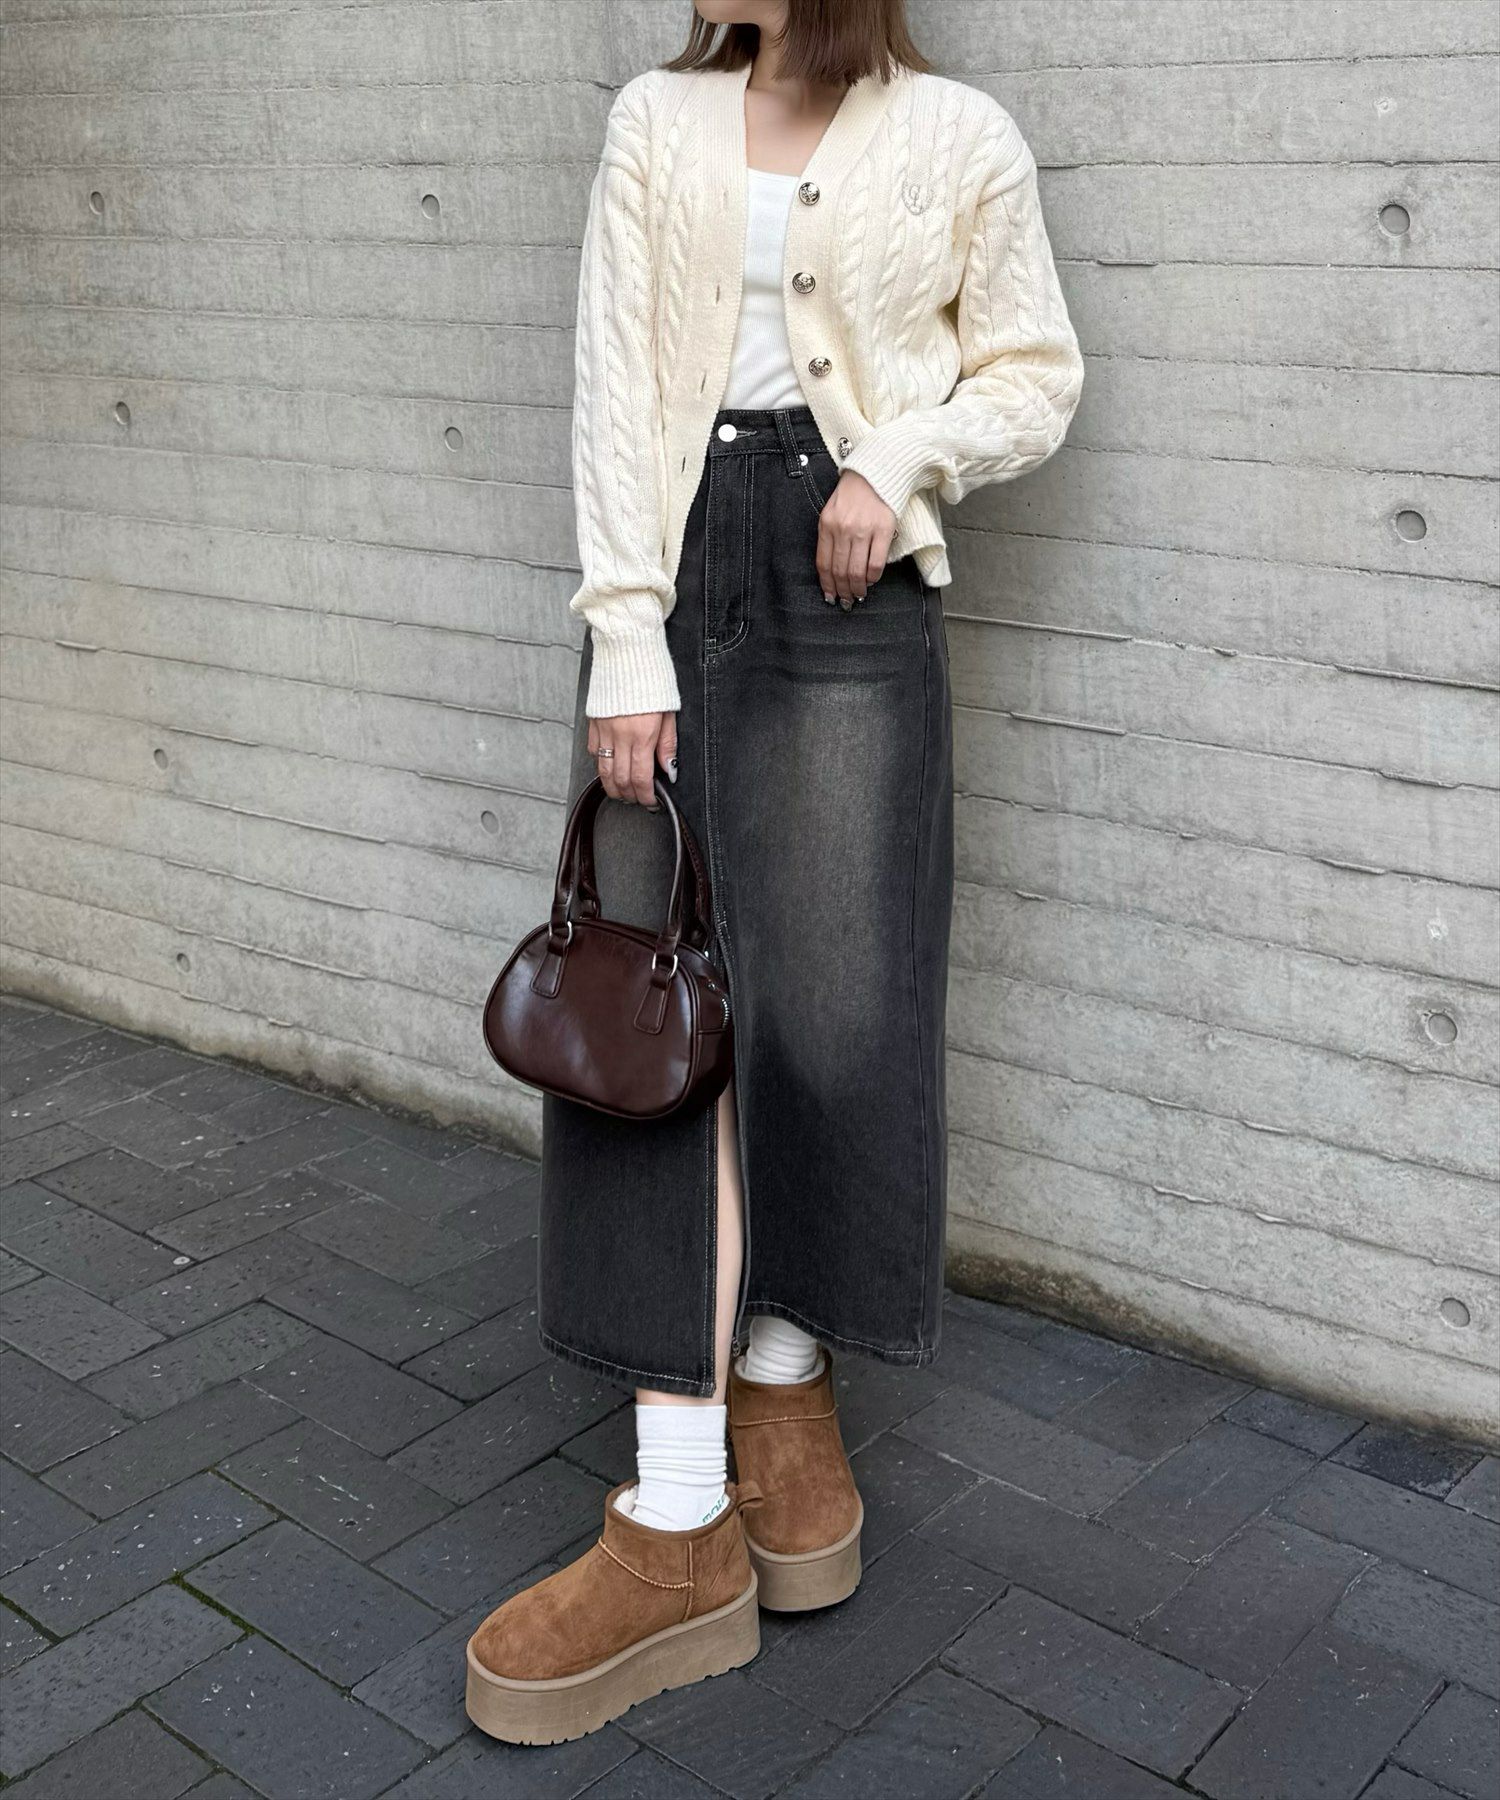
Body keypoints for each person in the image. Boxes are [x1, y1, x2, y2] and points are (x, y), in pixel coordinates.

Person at [465, 0, 1082, 1744]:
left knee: (831, 1005)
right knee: (645, 1023)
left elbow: (1033, 370)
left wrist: (898, 454)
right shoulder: (654, 122)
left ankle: (787, 1376)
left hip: (848, 588)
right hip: (671, 575)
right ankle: (676, 1513)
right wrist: (622, 633)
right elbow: (614, 383)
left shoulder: (957, 137)